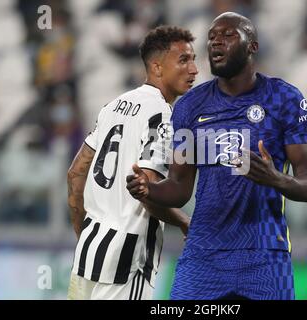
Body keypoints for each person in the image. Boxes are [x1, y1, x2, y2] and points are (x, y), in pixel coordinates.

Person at [127, 12, 307, 300]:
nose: (216, 42)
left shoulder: (285, 99)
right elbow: (179, 188)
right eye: (212, 38)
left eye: (228, 36)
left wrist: (274, 178)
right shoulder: (190, 106)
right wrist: (149, 188)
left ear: (252, 46)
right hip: (204, 254)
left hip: (265, 254)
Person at [67, 26, 198, 300]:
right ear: (157, 67)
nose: (194, 69)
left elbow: (76, 173)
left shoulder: (114, 105)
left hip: (89, 251)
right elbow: (147, 192)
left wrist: (86, 233)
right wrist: (185, 221)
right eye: (184, 60)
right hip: (127, 258)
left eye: (194, 59)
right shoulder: (162, 116)